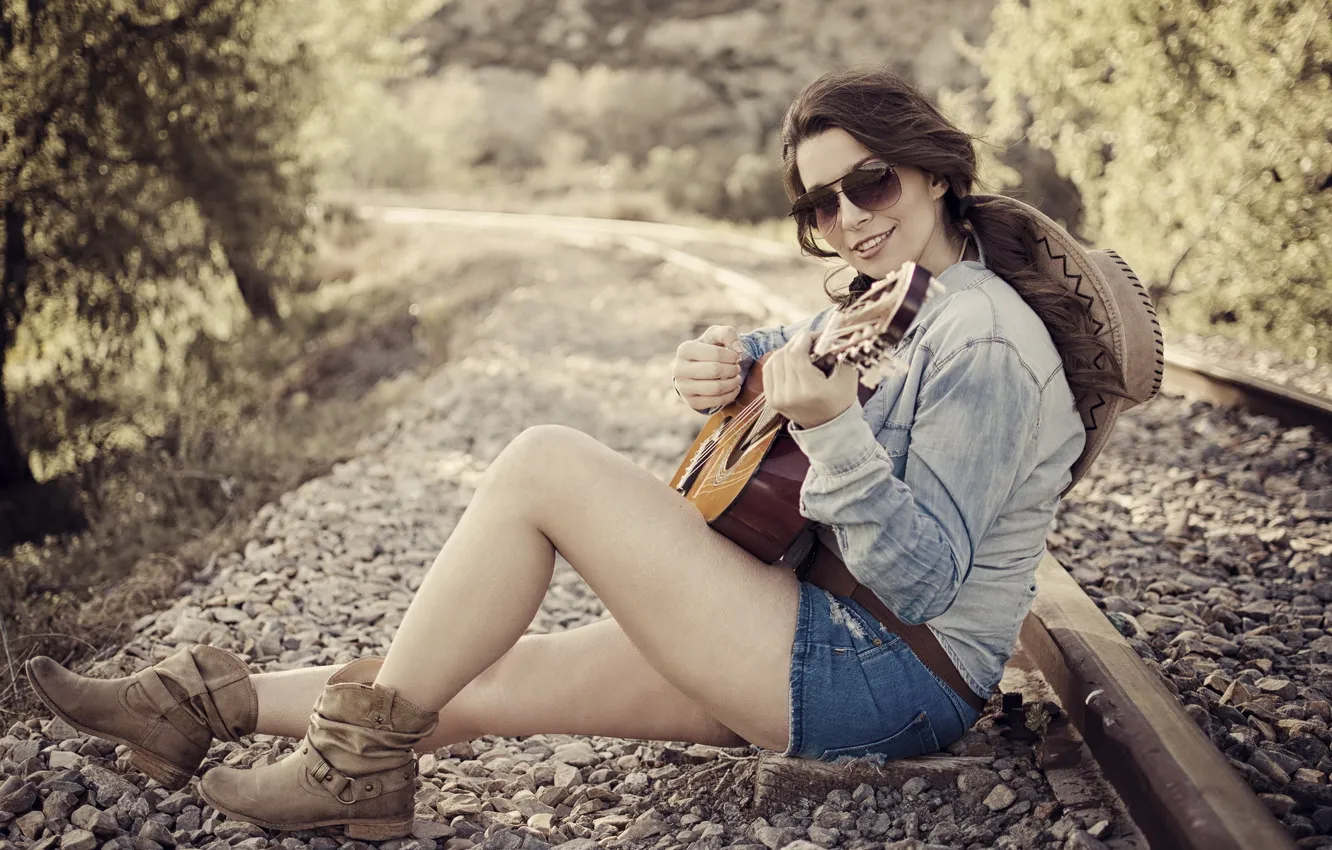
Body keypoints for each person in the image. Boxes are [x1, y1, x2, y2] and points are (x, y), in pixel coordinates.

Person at [25, 64, 1157, 841]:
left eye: (874, 182)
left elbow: (923, 580)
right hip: (806, 622)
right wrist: (724, 358)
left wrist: (830, 429)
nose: (852, 217)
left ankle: (349, 773)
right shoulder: (902, 292)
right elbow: (796, 345)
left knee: (544, 464)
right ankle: (194, 705)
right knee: (482, 668)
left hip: (888, 674)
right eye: (823, 205)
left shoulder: (988, 343)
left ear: (934, 171)